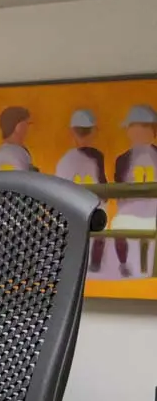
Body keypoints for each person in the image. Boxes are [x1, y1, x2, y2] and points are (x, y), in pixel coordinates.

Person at [54, 109, 128, 276]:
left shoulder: (64, 160)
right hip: (94, 212)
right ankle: (94, 264)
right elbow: (103, 188)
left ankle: (88, 265)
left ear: (72, 132)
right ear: (94, 131)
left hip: (71, 214)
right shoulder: (96, 156)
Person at [114, 104, 157, 277]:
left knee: (118, 224)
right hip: (146, 218)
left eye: (131, 127)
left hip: (130, 219)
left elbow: (119, 197)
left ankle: (126, 266)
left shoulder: (123, 159)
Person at [0, 106, 37, 172]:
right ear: (18, 127)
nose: (28, 128)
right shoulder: (14, 154)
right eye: (27, 124)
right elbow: (18, 180)